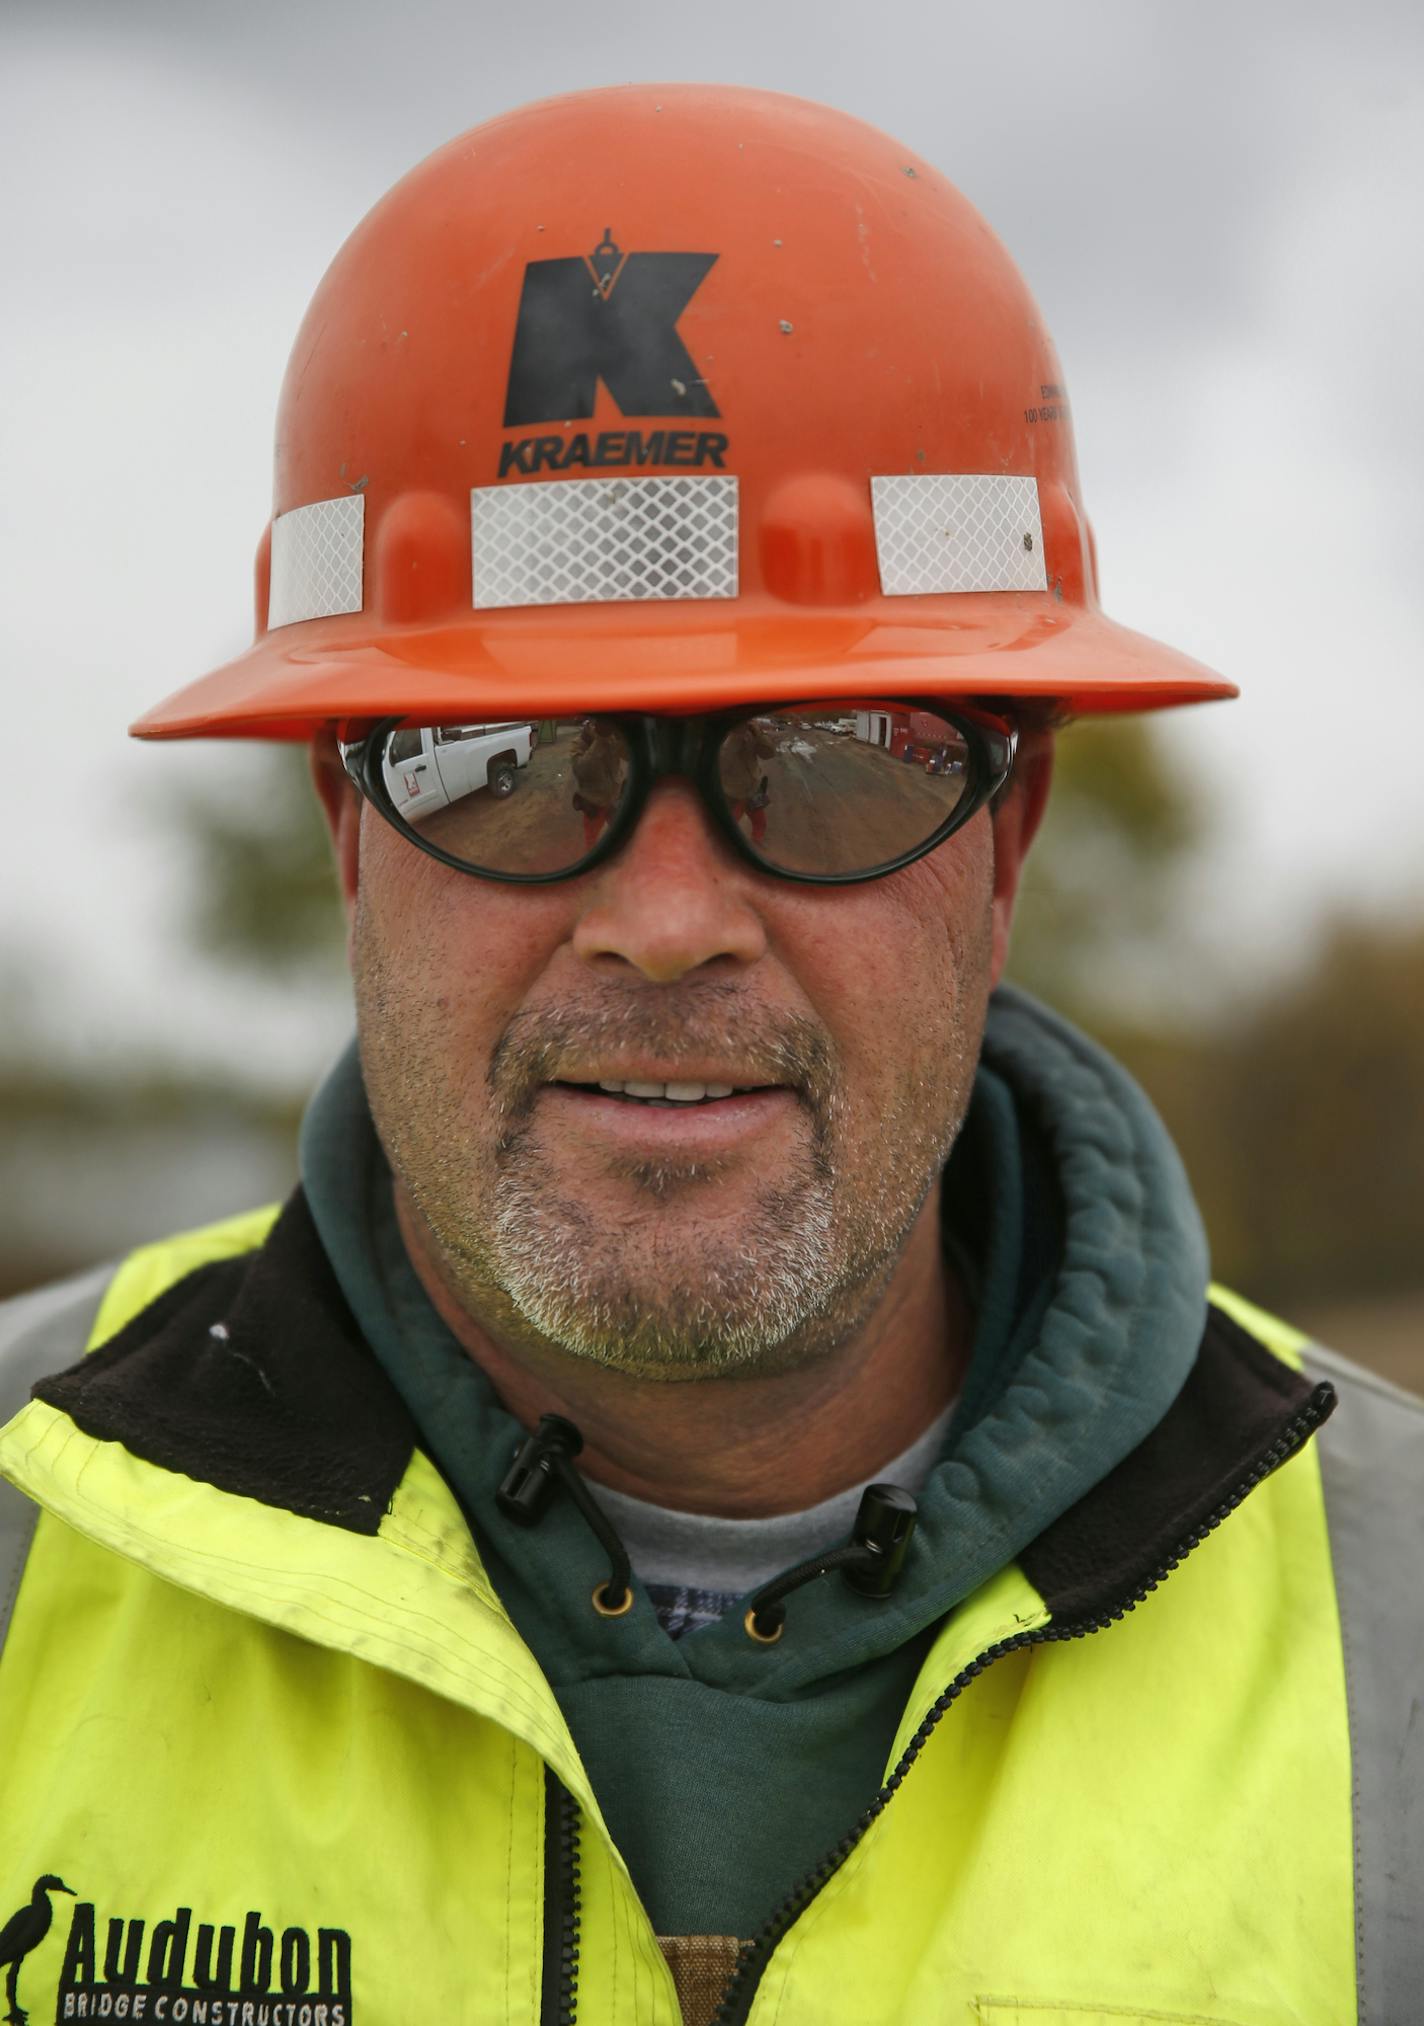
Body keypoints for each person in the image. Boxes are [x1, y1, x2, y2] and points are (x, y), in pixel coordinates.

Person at [0, 84, 1418, 2026]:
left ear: (1006, 840)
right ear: (346, 823)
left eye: (826, 764)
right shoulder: (22, 1520)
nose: (666, 919)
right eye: (505, 767)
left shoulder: (1400, 1633)